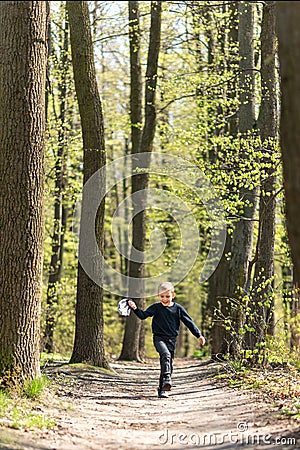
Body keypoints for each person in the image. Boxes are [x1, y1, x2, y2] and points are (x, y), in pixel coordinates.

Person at [128, 281, 205, 399]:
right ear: (158, 296)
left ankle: (162, 389)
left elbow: (189, 322)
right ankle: (167, 379)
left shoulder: (178, 309)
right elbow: (143, 315)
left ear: (173, 295)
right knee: (165, 355)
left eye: (167, 296)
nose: (164, 299)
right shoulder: (156, 307)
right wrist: (134, 308)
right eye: (162, 296)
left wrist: (198, 335)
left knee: (167, 363)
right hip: (159, 338)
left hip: (172, 339)